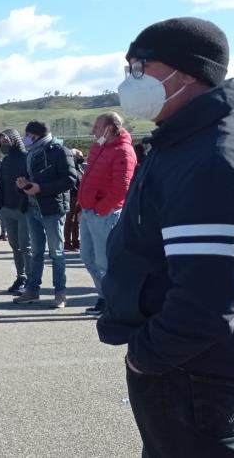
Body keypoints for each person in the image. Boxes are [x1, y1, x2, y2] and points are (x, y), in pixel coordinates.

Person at [97, 17, 234, 456]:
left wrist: (145, 356)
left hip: (194, 369)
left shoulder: (212, 153)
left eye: (140, 67)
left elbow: (207, 299)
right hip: (199, 361)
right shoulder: (196, 137)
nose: (131, 79)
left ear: (186, 73)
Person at [13, 121, 79, 309]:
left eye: (28, 135)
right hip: (32, 208)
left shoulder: (60, 151)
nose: (26, 139)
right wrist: (22, 185)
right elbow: (26, 178)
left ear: (37, 135)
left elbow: (70, 180)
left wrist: (41, 188)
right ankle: (32, 290)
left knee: (56, 253)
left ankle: (60, 293)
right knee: (36, 252)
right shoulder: (30, 154)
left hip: (52, 210)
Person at [78, 112, 136, 317]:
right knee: (88, 257)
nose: (93, 130)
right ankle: (105, 298)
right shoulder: (99, 148)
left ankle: (115, 304)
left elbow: (122, 188)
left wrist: (100, 209)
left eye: (97, 126)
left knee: (105, 262)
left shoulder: (123, 151)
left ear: (109, 128)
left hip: (104, 214)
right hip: (90, 212)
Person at [0, 129, 31, 295]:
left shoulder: (27, 157)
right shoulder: (6, 161)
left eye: (6, 141)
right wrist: (0, 207)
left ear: (15, 140)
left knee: (26, 247)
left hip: (24, 209)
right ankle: (21, 277)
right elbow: (1, 184)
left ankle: (30, 279)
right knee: (15, 246)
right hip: (7, 210)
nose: (4, 144)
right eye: (2, 142)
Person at [63, 149, 85, 252]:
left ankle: (75, 241)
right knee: (70, 219)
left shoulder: (79, 168)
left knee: (76, 221)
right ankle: (67, 243)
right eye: (79, 156)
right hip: (72, 197)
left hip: (79, 197)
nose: (81, 158)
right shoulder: (70, 168)